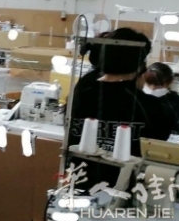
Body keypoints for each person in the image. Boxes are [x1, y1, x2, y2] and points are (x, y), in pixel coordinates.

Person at [68, 28, 173, 190]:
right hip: (125, 188)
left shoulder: (82, 92)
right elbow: (159, 144)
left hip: (79, 182)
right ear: (140, 66)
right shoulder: (149, 105)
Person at [142, 62, 179, 135]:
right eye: (149, 84)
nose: (153, 88)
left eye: (158, 85)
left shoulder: (178, 103)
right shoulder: (138, 99)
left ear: (169, 83)